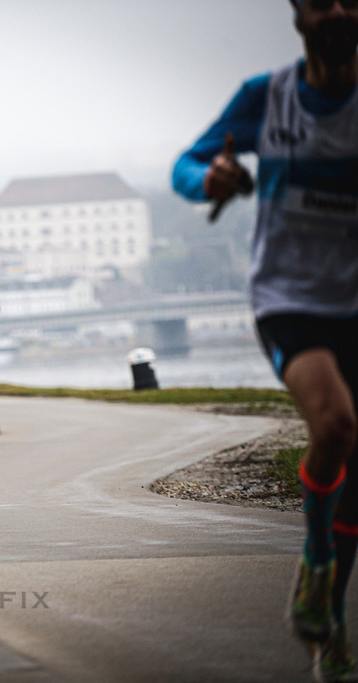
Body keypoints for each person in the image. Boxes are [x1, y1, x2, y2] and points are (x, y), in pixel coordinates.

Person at [172, 1, 358, 678]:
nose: (338, 10)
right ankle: (314, 554)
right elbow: (185, 164)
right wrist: (208, 179)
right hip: (290, 300)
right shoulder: (267, 97)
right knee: (336, 425)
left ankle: (327, 620)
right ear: (298, 14)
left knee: (356, 476)